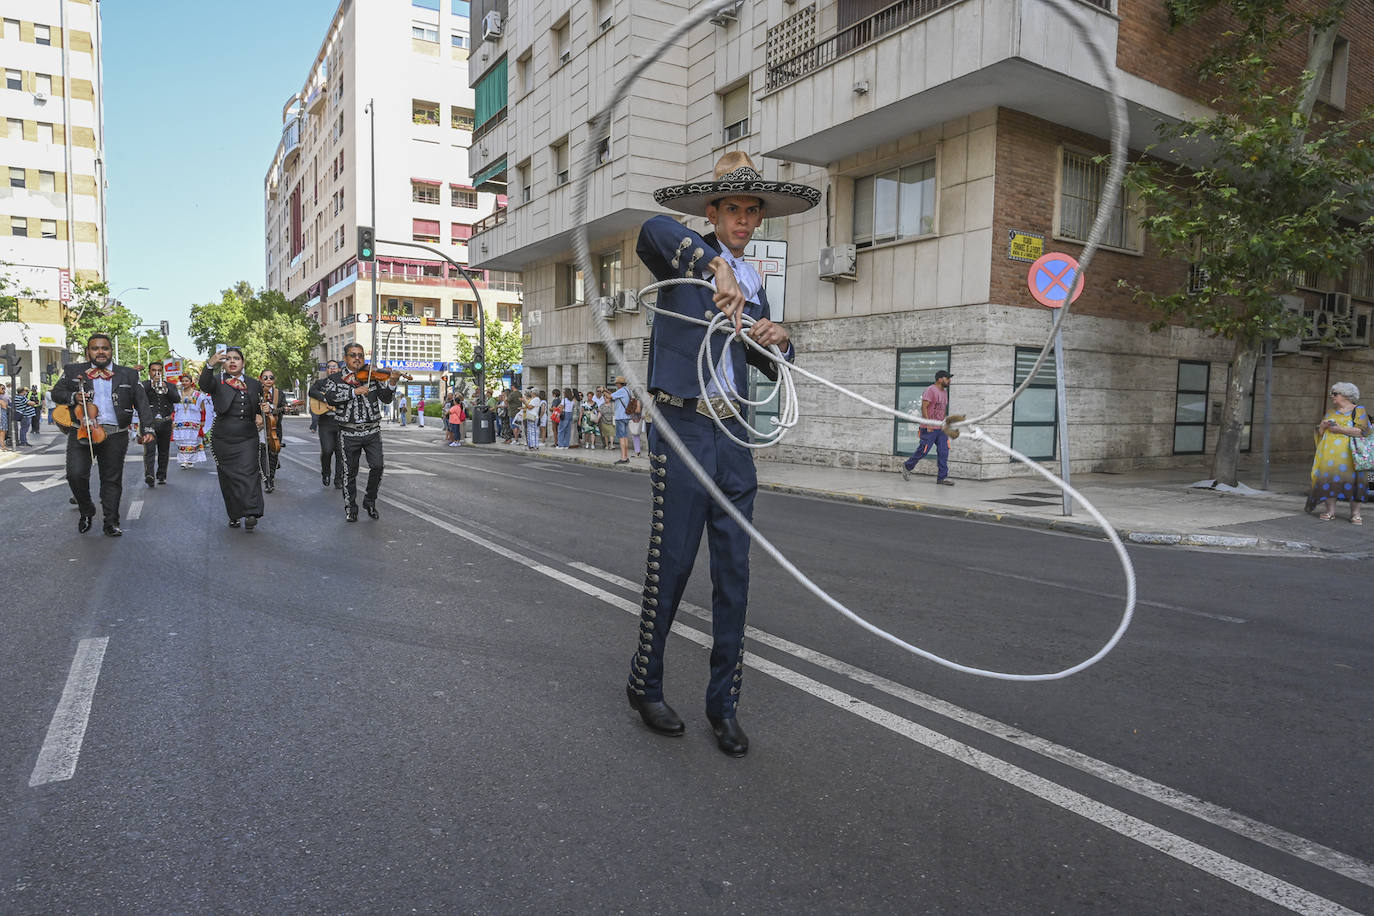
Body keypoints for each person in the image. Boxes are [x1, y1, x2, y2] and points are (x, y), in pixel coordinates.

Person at [624, 150, 818, 757]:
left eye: (751, 211)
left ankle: (723, 705)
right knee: (673, 563)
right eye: (732, 208)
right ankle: (645, 683)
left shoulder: (752, 285)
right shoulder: (681, 257)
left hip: (732, 433)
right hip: (682, 424)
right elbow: (652, 229)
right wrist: (715, 267)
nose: (743, 219)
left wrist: (780, 338)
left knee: (733, 573)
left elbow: (768, 362)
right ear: (712, 211)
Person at [51, 333, 156, 535]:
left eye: (105, 348)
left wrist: (148, 428)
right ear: (88, 351)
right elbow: (56, 393)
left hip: (116, 433)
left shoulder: (128, 374)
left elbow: (142, 403)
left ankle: (111, 522)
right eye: (95, 348)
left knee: (111, 479)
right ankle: (86, 508)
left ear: (111, 351)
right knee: (75, 474)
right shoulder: (74, 371)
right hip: (82, 430)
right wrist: (74, 396)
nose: (100, 352)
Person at [315, 342, 397, 522]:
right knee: (349, 472)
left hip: (372, 431)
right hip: (348, 432)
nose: (357, 358)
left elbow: (386, 399)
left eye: (360, 355)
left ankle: (370, 500)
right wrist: (354, 392)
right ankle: (350, 507)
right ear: (345, 359)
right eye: (353, 355)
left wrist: (392, 382)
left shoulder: (373, 377)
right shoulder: (335, 379)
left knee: (377, 466)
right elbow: (331, 397)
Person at [201, 349, 266, 530]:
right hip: (223, 437)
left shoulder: (254, 384)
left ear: (243, 363)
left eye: (236, 359)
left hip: (247, 437)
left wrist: (261, 413)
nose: (232, 362)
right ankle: (234, 514)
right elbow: (204, 384)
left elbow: (259, 405)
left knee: (250, 473)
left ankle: (251, 512)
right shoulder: (217, 381)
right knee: (229, 478)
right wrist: (210, 364)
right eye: (228, 359)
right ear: (223, 363)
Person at [1309, 381, 1368, 524]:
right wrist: (1322, 427)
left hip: (1353, 455)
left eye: (1335, 393)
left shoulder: (1359, 411)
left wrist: (1339, 429)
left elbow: (1363, 431)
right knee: (1329, 481)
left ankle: (1355, 514)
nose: (1332, 396)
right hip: (1330, 455)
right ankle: (1330, 511)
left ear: (1346, 395)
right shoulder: (1330, 412)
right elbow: (1320, 434)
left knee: (1355, 483)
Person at [899, 370, 954, 485]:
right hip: (928, 428)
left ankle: (942, 478)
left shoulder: (944, 392)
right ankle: (907, 466)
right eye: (947, 378)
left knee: (944, 451)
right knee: (923, 451)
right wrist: (928, 423)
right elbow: (924, 407)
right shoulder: (930, 390)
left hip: (940, 428)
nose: (949, 380)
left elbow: (941, 409)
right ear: (940, 379)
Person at [140, 361, 181, 486]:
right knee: (150, 449)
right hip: (149, 423)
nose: (156, 373)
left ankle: (161, 475)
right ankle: (149, 474)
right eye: (153, 370)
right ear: (149, 372)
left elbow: (177, 399)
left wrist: (166, 389)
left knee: (164, 450)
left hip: (165, 422)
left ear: (162, 372)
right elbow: (138, 396)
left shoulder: (170, 386)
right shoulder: (144, 385)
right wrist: (151, 385)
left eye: (159, 370)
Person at [309, 359, 345, 489]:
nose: (332, 369)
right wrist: (325, 399)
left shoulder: (345, 383)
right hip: (326, 423)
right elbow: (311, 392)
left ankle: (339, 479)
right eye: (329, 367)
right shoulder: (321, 383)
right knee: (327, 450)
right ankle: (326, 472)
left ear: (339, 369)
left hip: (341, 423)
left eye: (334, 367)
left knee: (341, 453)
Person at [257, 369, 287, 493]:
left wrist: (272, 408)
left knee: (274, 453)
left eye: (271, 377)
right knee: (263, 454)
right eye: (265, 377)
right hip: (259, 428)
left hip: (274, 428)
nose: (268, 380)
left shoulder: (279, 394)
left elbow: (283, 409)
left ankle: (271, 477)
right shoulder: (256, 392)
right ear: (260, 379)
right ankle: (267, 480)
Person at [173, 373, 210, 468]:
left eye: (186, 381)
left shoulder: (197, 394)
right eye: (183, 381)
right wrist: (173, 419)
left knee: (192, 441)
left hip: (193, 420)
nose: (184, 383)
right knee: (182, 441)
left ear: (191, 382)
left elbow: (203, 408)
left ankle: (190, 460)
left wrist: (203, 420)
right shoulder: (178, 393)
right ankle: (184, 460)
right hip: (180, 419)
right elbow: (174, 408)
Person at [611, 376, 632, 464]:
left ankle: (623, 457)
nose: (616, 385)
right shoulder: (628, 390)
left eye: (616, 383)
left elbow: (610, 396)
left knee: (621, 438)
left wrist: (603, 390)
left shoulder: (621, 391)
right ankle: (626, 456)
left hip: (620, 416)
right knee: (625, 437)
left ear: (619, 384)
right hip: (627, 416)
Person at [627, 391, 645, 458]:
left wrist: (631, 409)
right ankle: (637, 452)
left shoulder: (638, 400)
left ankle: (637, 452)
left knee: (635, 436)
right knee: (636, 436)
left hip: (636, 419)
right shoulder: (640, 400)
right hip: (637, 419)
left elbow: (638, 410)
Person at [0, 384, 11, 451]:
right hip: (1, 415)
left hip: (3, 415)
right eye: (2, 388)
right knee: (2, 431)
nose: (4, 390)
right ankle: (2, 446)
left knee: (3, 431)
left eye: (4, 388)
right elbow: (4, 405)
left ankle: (2, 445)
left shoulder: (3, 396)